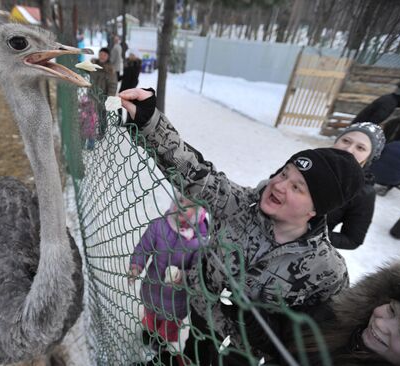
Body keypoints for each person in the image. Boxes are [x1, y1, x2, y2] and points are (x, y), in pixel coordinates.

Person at [119, 88, 365, 365]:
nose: (279, 185)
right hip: (201, 316)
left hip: (246, 352)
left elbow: (321, 338)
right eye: (284, 173)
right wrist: (149, 119)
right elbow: (194, 171)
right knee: (191, 354)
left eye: (297, 187)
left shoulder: (327, 271)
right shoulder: (240, 204)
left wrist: (269, 331)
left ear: (315, 210)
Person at [128, 195, 207, 355]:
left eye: (190, 205)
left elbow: (197, 271)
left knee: (169, 325)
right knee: (150, 315)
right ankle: (149, 332)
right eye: (181, 200)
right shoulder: (159, 226)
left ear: (199, 211)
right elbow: (144, 247)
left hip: (176, 298)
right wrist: (136, 266)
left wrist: (182, 277)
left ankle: (161, 341)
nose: (182, 206)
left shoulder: (200, 241)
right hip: (153, 288)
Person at [327, 122, 386, 249]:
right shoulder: (309, 161)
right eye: (346, 140)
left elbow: (352, 240)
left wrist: (312, 236)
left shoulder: (363, 192)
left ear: (368, 157)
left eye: (360, 148)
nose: (348, 149)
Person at [90, 47, 118, 139]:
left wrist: (110, 98)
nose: (102, 56)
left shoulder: (110, 69)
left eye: (104, 55)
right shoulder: (94, 65)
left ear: (108, 57)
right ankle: (90, 130)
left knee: (102, 115)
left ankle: (101, 132)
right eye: (100, 54)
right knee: (90, 114)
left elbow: (113, 85)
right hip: (92, 94)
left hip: (103, 97)